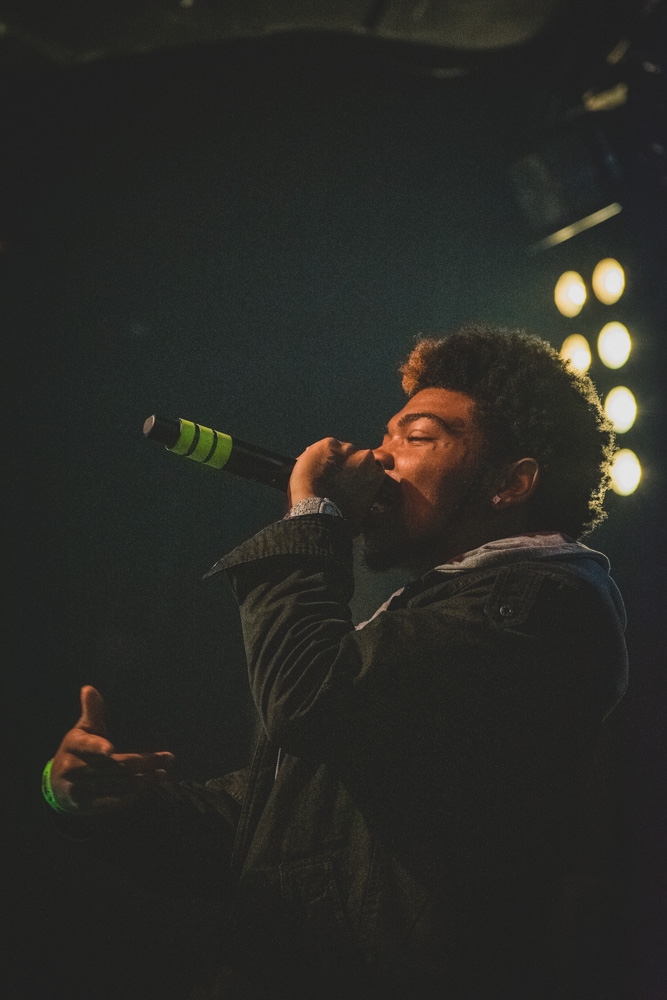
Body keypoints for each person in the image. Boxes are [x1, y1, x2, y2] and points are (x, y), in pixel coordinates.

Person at [44, 324, 628, 999]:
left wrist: (311, 513)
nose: (378, 458)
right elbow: (283, 832)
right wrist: (103, 801)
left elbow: (306, 697)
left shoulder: (539, 605)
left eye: (416, 437)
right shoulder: (439, 609)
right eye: (385, 436)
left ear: (510, 483)